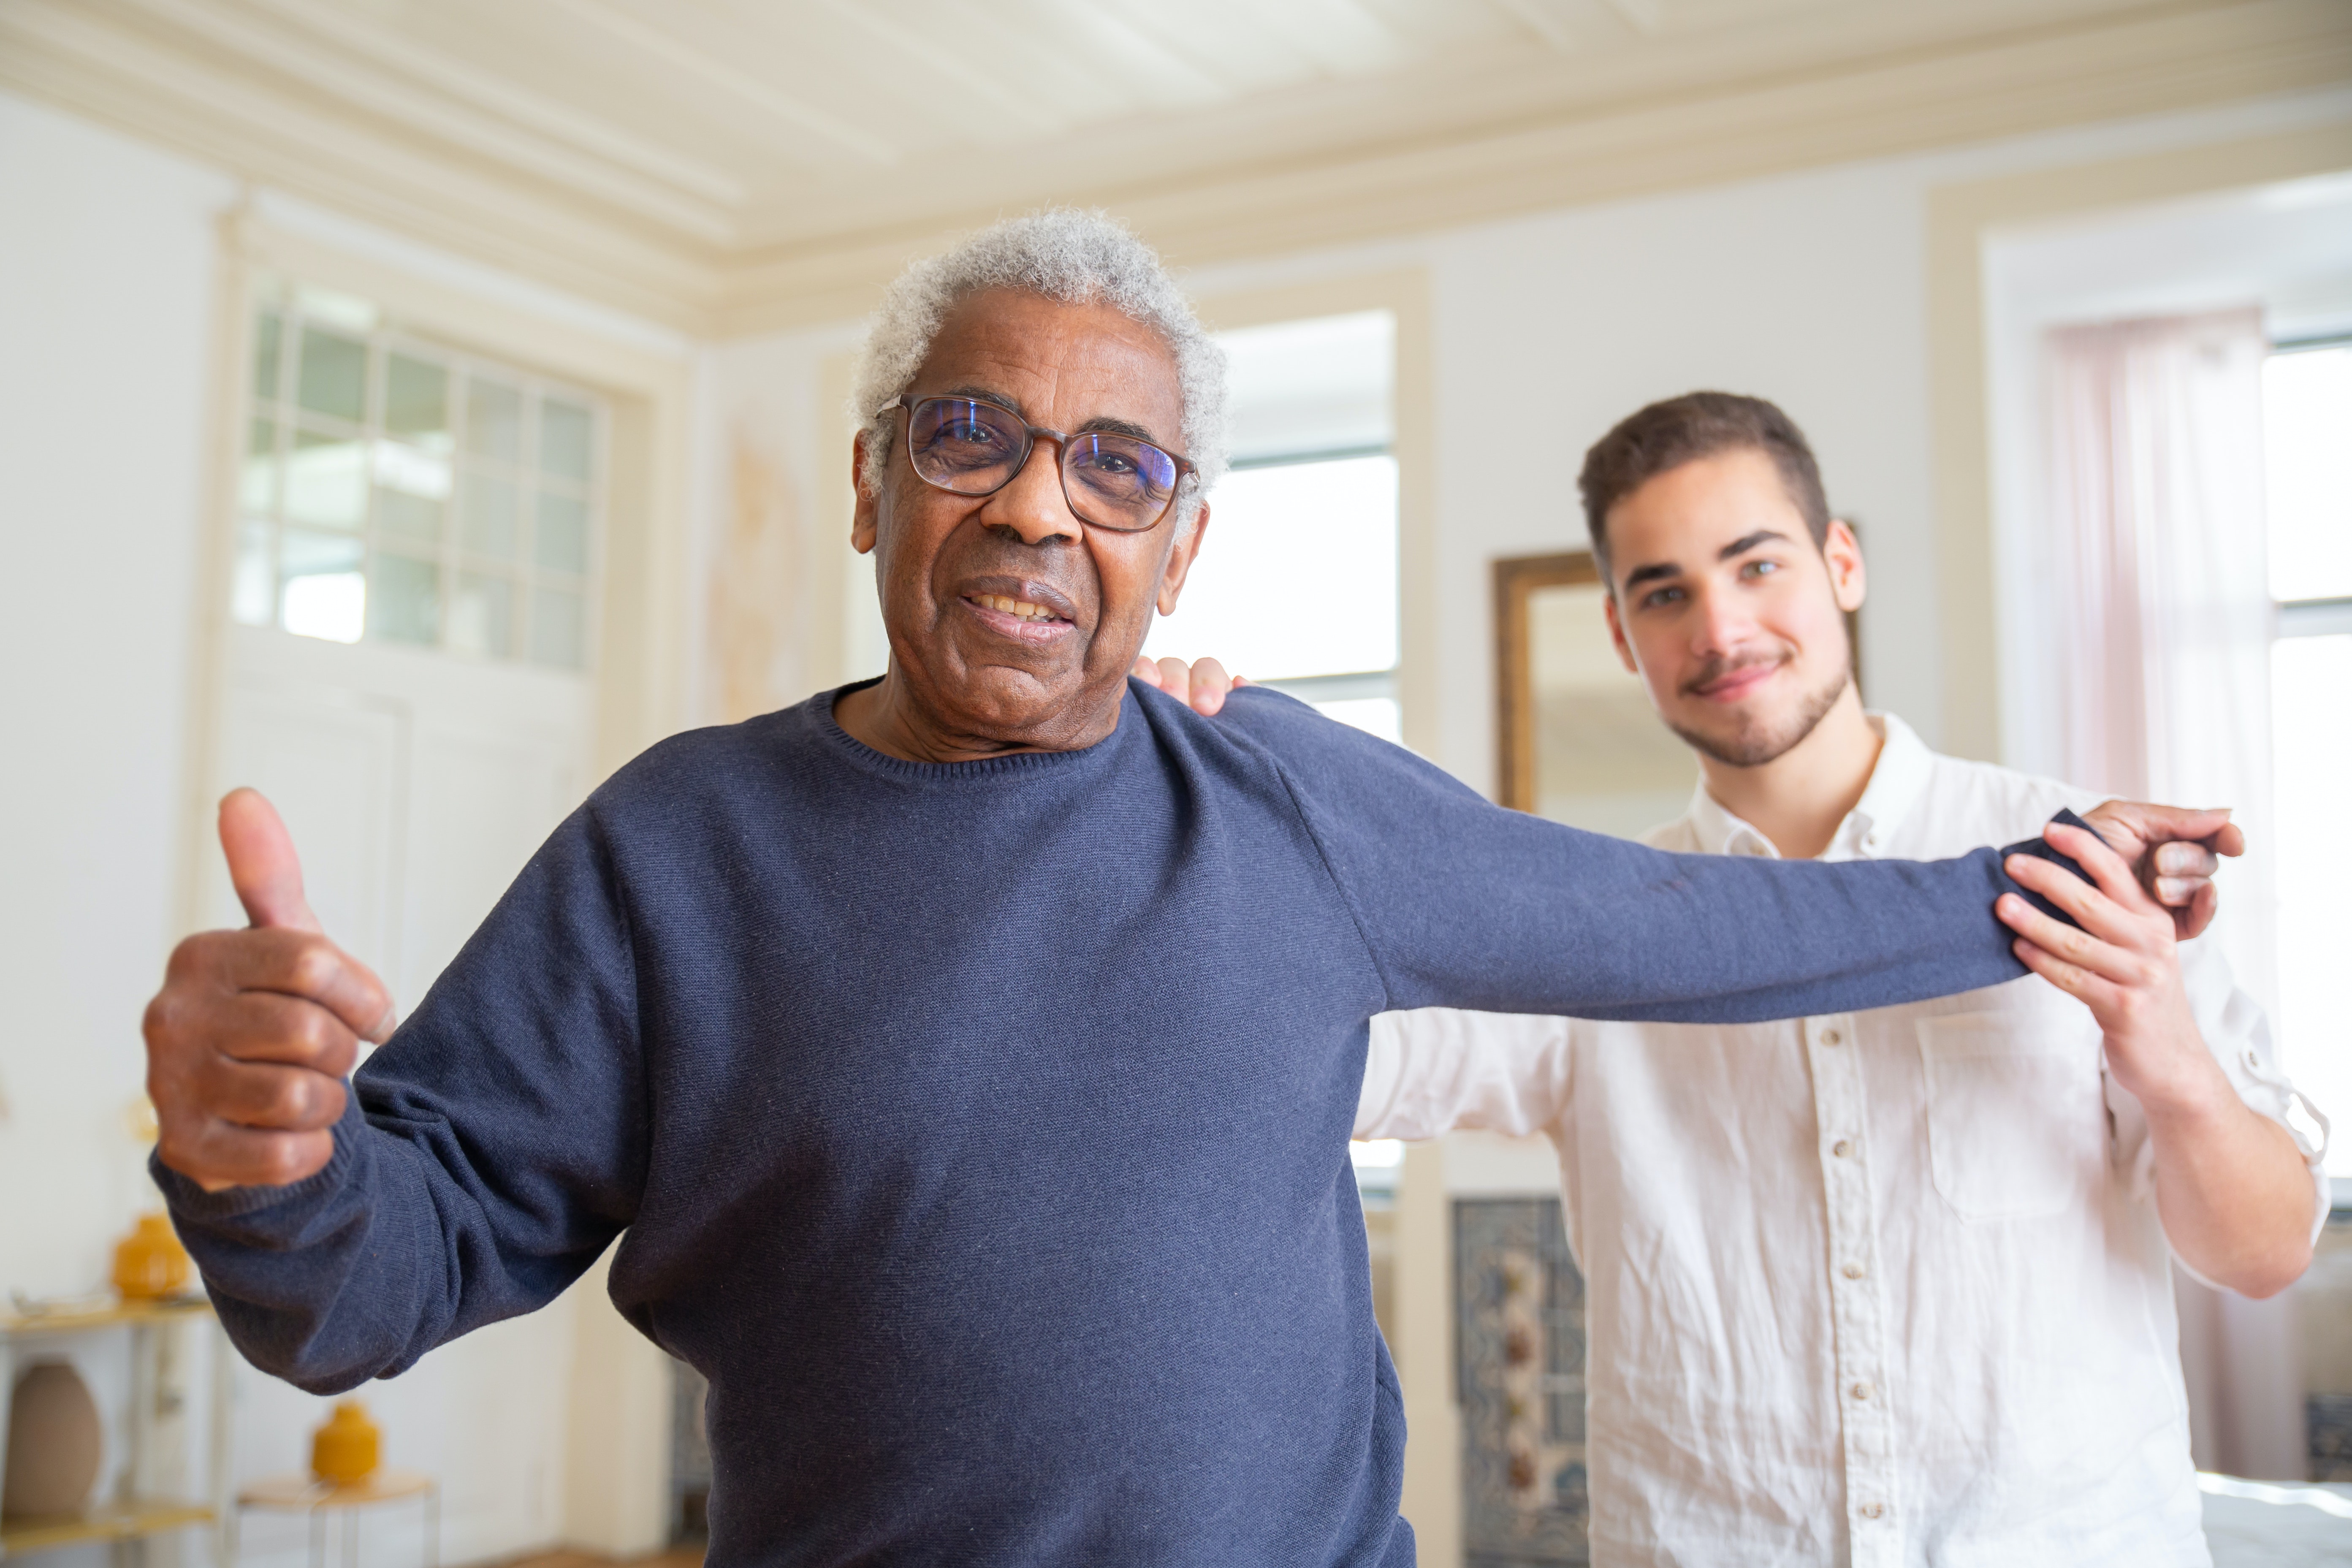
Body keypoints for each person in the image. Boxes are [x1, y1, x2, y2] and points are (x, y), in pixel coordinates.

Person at [144, 217, 2222, 1568]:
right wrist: (261, 1153)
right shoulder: (676, 848)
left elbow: (1689, 928)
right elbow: (367, 1278)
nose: (1041, 502)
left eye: (1114, 465)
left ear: (1181, 544)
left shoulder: (1284, 807)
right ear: (873, 481)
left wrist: (2050, 877)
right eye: (973, 436)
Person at [1147, 391, 2322, 1565]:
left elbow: (2263, 1255)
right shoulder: (1568, 935)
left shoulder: (2077, 873)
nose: (1719, 627)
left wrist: (2163, 1050)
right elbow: (1289, 1050)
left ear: (1841, 563)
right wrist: (1151, 811)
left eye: (1755, 565)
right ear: (1620, 634)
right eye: (1664, 592)